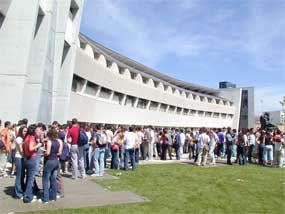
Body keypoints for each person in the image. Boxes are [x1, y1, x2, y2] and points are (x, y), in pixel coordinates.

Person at [39, 127, 63, 204]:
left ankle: (45, 198)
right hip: (56, 160)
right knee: (53, 179)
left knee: (45, 179)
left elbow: (48, 153)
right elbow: (59, 152)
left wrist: (43, 153)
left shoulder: (49, 142)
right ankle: (53, 196)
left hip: (50, 160)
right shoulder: (58, 141)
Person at [23, 124, 43, 203]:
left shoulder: (27, 137)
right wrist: (38, 145)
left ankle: (28, 194)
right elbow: (31, 148)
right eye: (37, 130)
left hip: (27, 159)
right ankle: (28, 197)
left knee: (29, 178)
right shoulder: (31, 138)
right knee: (30, 179)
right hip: (31, 158)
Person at [14, 126, 27, 199]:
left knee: (22, 175)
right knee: (19, 176)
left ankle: (20, 190)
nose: (25, 132)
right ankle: (17, 193)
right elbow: (21, 150)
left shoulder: (23, 138)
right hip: (19, 157)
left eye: (26, 131)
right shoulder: (19, 139)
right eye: (24, 131)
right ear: (21, 131)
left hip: (22, 158)